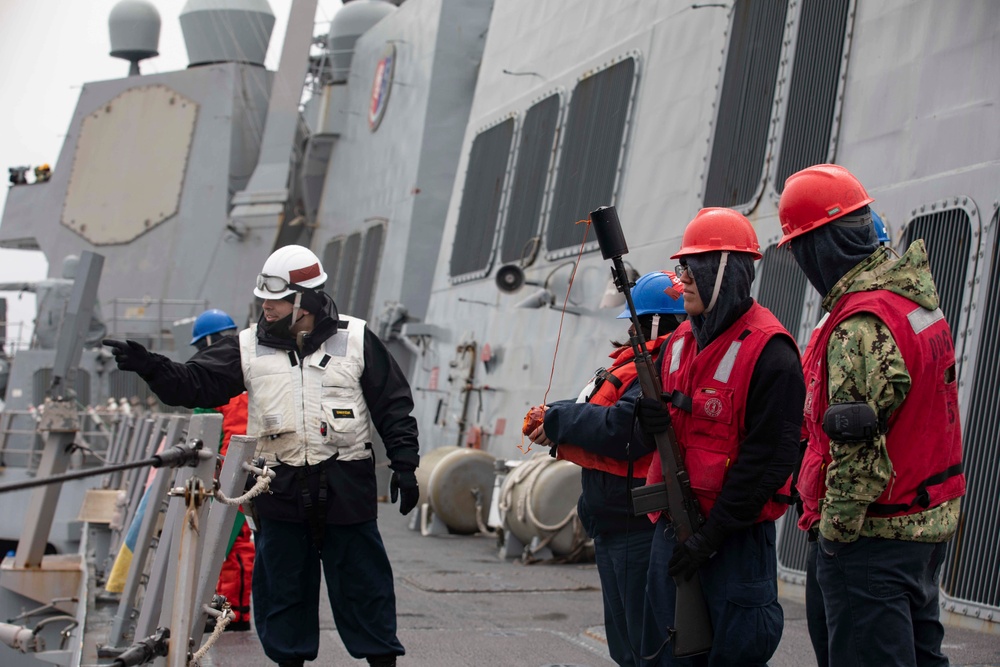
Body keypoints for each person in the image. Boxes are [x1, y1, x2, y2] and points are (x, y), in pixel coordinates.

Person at [103, 245, 420, 667]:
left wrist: (405, 464)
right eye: (265, 299)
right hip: (280, 489)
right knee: (283, 589)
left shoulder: (357, 339)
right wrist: (151, 366)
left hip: (346, 486)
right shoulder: (247, 347)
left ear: (305, 300)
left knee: (365, 584)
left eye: (276, 299)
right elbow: (196, 383)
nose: (266, 307)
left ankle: (382, 661)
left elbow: (392, 403)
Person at [779, 164, 965, 667]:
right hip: (925, 524)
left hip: (873, 538)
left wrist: (836, 538)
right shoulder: (915, 302)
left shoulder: (857, 327)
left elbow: (858, 454)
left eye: (798, 247)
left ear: (821, 246)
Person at [637, 208, 804, 666]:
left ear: (726, 271)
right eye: (681, 268)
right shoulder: (678, 345)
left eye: (694, 268)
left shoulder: (771, 353)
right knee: (666, 653)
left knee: (736, 652)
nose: (682, 280)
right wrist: (646, 419)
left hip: (733, 544)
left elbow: (768, 462)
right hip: (673, 536)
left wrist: (707, 539)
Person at [526, 270, 686, 667]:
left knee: (645, 644)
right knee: (628, 644)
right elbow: (602, 409)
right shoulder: (642, 363)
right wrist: (554, 418)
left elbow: (624, 429)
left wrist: (559, 420)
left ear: (651, 322)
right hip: (616, 522)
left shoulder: (664, 363)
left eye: (635, 321)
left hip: (637, 525)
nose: (630, 330)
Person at [189, 308, 255, 632]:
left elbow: (229, 429)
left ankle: (236, 613)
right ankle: (226, 608)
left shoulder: (228, 381)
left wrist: (220, 473)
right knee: (224, 543)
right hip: (227, 469)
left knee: (235, 543)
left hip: (233, 473)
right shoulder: (236, 375)